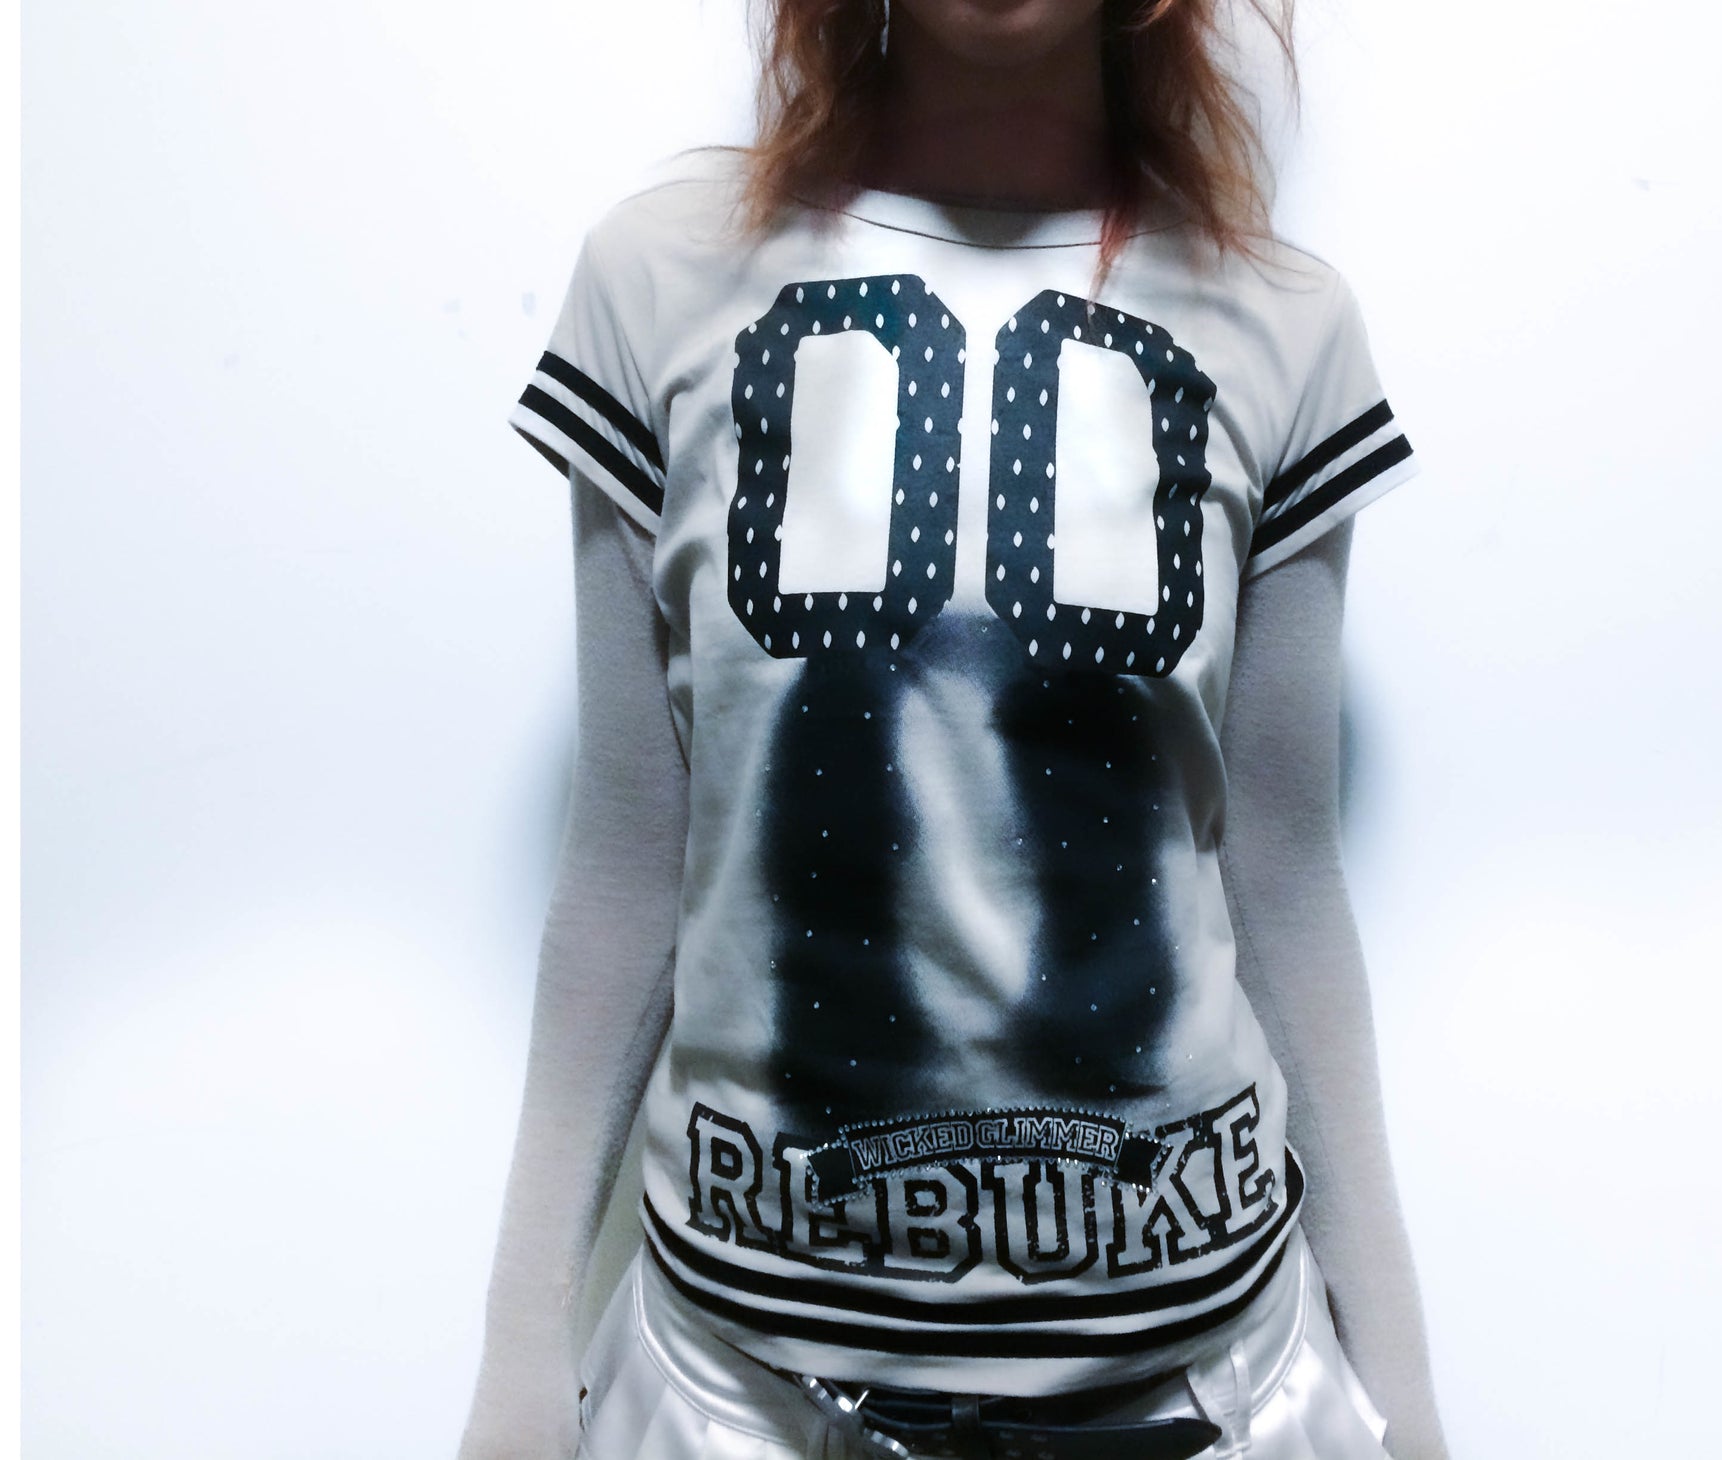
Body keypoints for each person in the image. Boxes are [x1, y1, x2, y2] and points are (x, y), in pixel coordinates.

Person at [459, 1, 1449, 1456]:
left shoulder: (1284, 320)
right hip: (740, 1389)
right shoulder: (658, 277)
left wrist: (1400, 1387)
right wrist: (519, 1356)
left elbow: (1286, 878)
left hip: (1207, 1385)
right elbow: (625, 864)